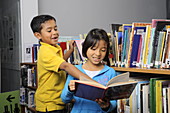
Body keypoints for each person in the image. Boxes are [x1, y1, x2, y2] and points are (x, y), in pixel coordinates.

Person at [30, 14, 95, 113]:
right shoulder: (45, 51)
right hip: (49, 104)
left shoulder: (53, 47)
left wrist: (70, 51)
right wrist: (89, 81)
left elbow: (60, 62)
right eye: (49, 31)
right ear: (38, 35)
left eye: (55, 29)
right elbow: (65, 66)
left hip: (57, 101)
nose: (55, 33)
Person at [61, 28, 117, 113]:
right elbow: (64, 99)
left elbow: (113, 103)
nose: (98, 54)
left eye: (103, 50)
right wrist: (69, 89)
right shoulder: (75, 70)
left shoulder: (110, 72)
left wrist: (107, 106)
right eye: (93, 49)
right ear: (85, 48)